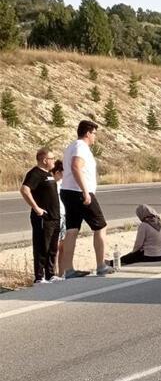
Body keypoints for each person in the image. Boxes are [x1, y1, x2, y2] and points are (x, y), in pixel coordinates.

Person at [60, 120, 115, 278]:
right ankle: (101, 265)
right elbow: (76, 166)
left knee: (72, 229)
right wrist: (85, 191)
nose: (95, 137)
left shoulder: (71, 146)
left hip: (68, 191)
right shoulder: (81, 147)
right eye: (94, 134)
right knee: (100, 226)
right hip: (79, 191)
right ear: (88, 133)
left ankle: (68, 269)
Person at [19, 148, 63, 283]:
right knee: (42, 246)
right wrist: (36, 208)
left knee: (52, 247)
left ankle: (51, 274)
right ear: (44, 160)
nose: (54, 161)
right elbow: (24, 190)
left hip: (54, 217)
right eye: (52, 158)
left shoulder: (48, 174)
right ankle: (39, 277)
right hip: (43, 217)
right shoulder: (35, 173)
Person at [50, 159, 65, 276]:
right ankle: (52, 272)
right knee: (55, 247)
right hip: (56, 216)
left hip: (65, 215)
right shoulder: (52, 185)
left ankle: (62, 272)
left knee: (63, 246)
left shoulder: (65, 184)